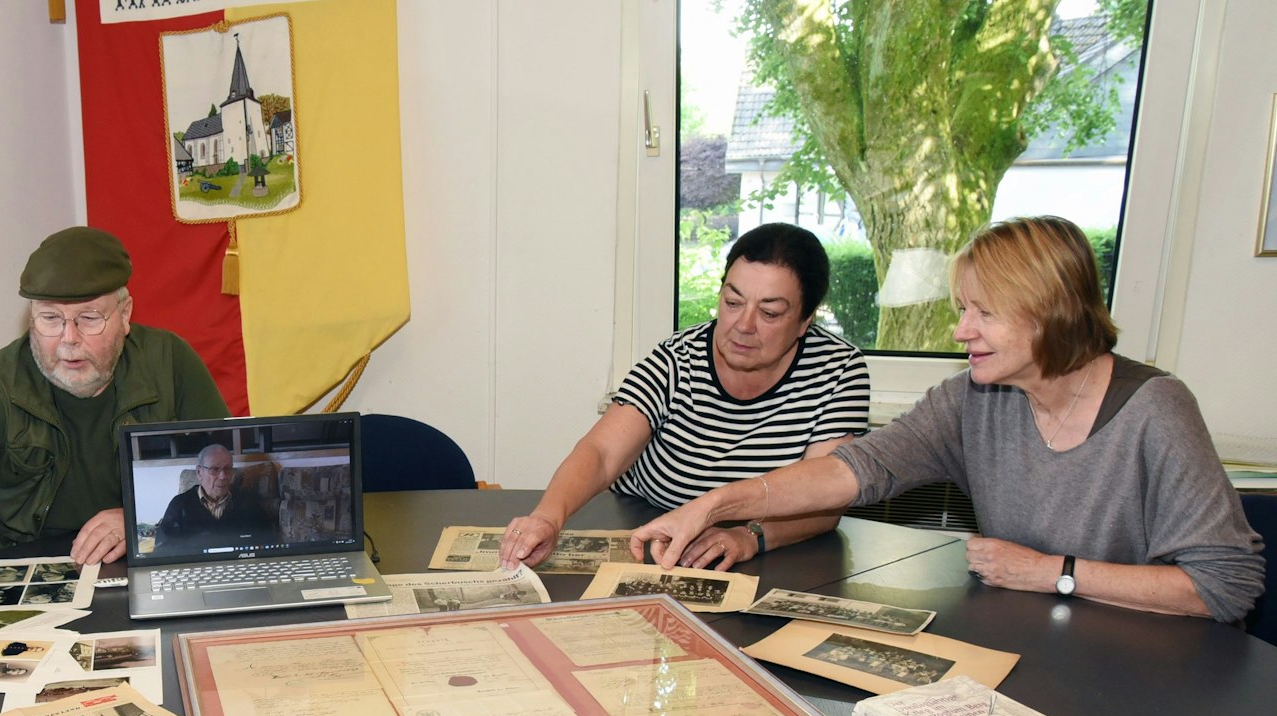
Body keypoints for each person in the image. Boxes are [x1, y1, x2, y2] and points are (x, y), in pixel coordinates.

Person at [629, 215, 1263, 621]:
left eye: (982, 313)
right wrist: (717, 504)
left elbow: (1225, 587)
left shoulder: (1156, 408)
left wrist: (1053, 574)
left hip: (1153, 667)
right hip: (1042, 638)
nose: (962, 331)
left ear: (1047, 313)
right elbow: (850, 471)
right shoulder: (972, 398)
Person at [0, 226, 229, 648]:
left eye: (88, 318)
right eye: (50, 319)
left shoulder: (169, 364)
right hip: (19, 588)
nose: (68, 339)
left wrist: (141, 518)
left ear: (125, 313)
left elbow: (223, 464)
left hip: (140, 578)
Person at [500, 223, 870, 572]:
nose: (744, 325)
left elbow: (825, 496)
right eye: (733, 302)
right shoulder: (678, 357)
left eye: (770, 313)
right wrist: (548, 516)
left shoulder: (838, 371)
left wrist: (750, 537)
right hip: (646, 530)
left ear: (806, 321)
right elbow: (602, 452)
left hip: (766, 550)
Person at [154, 444, 278, 548]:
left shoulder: (248, 503)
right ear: (199, 473)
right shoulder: (180, 505)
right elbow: (163, 550)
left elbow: (269, 544)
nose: (223, 476)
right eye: (214, 469)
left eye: (228, 469)